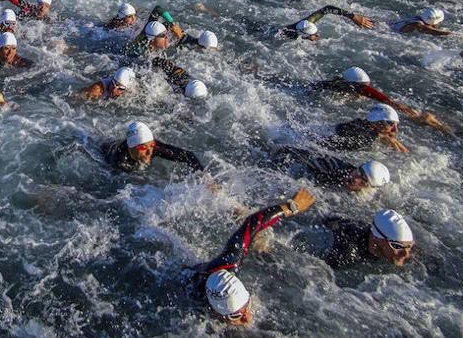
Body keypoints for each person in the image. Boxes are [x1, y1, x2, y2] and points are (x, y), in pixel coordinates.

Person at [199, 188, 316, 324]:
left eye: (247, 306)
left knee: (260, 244)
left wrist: (292, 206)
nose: (247, 318)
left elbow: (253, 222)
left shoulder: (230, 263)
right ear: (216, 312)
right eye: (235, 316)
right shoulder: (193, 305)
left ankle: (212, 189)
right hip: (199, 280)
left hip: (214, 270)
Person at [316, 67, 450, 133]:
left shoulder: (337, 85)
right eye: (364, 87)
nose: (365, 91)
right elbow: (367, 91)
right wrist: (391, 102)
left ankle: (424, 120)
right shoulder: (342, 86)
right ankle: (425, 120)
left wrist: (392, 103)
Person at [102, 121, 203, 173]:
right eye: (143, 148)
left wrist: (203, 177)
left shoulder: (152, 148)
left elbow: (188, 156)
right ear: (131, 147)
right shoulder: (118, 161)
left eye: (152, 145)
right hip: (104, 147)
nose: (149, 152)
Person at [280, 147, 391, 193]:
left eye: (364, 181)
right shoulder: (330, 169)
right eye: (359, 173)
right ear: (358, 167)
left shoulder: (366, 193)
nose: (356, 180)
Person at [327, 103, 409, 153]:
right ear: (377, 122)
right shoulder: (359, 127)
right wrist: (377, 136)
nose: (396, 129)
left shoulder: (382, 135)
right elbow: (341, 128)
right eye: (391, 124)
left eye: (397, 125)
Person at [284, 5, 375, 40]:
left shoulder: (307, 22)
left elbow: (327, 9)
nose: (317, 35)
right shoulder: (289, 36)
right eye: (314, 35)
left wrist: (352, 16)